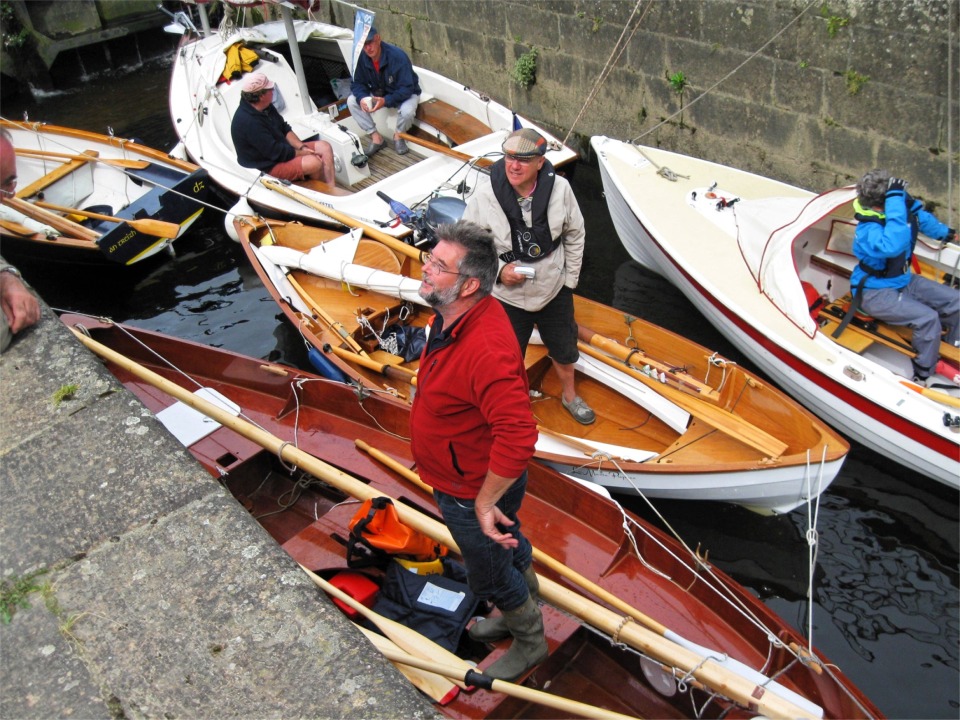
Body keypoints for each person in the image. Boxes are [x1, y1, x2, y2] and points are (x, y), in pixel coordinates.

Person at [409, 220, 545, 682]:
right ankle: (517, 611)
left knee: (487, 572)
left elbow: (519, 434)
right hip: (462, 471)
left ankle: (530, 641)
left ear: (469, 284)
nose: (426, 269)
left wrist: (484, 502)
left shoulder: (485, 346)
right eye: (430, 258)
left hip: (470, 487)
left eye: (438, 266)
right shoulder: (451, 315)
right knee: (507, 543)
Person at [462, 128, 594, 424]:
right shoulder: (485, 196)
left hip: (553, 287)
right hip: (507, 297)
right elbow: (468, 246)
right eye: (509, 157)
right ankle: (513, 405)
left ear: (540, 162)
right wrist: (497, 273)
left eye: (523, 159)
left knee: (564, 347)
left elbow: (575, 233)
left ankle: (570, 396)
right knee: (505, 358)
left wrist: (569, 280)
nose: (514, 165)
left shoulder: (561, 189)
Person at [850, 169, 959, 383]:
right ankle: (924, 372)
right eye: (895, 199)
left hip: (903, 280)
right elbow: (892, 245)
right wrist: (895, 205)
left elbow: (919, 217)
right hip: (874, 292)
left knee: (956, 302)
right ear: (884, 204)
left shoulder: (898, 212)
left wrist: (945, 233)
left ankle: (954, 350)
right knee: (928, 319)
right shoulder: (867, 229)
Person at [230, 72, 335, 185]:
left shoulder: (266, 106)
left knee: (324, 147)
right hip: (266, 166)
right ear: (261, 96)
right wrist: (304, 154)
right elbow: (275, 153)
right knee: (314, 163)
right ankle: (321, 194)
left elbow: (284, 128)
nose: (273, 91)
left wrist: (302, 147)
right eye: (270, 89)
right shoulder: (249, 122)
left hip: (280, 150)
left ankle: (331, 188)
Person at [347, 27, 420, 157]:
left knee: (407, 111)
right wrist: (363, 98)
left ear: (378, 39)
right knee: (352, 101)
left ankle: (399, 135)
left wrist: (386, 101)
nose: (368, 48)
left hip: (403, 94)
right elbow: (357, 83)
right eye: (364, 45)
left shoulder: (398, 56)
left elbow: (408, 88)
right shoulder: (360, 59)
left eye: (370, 42)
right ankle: (376, 138)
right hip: (379, 93)